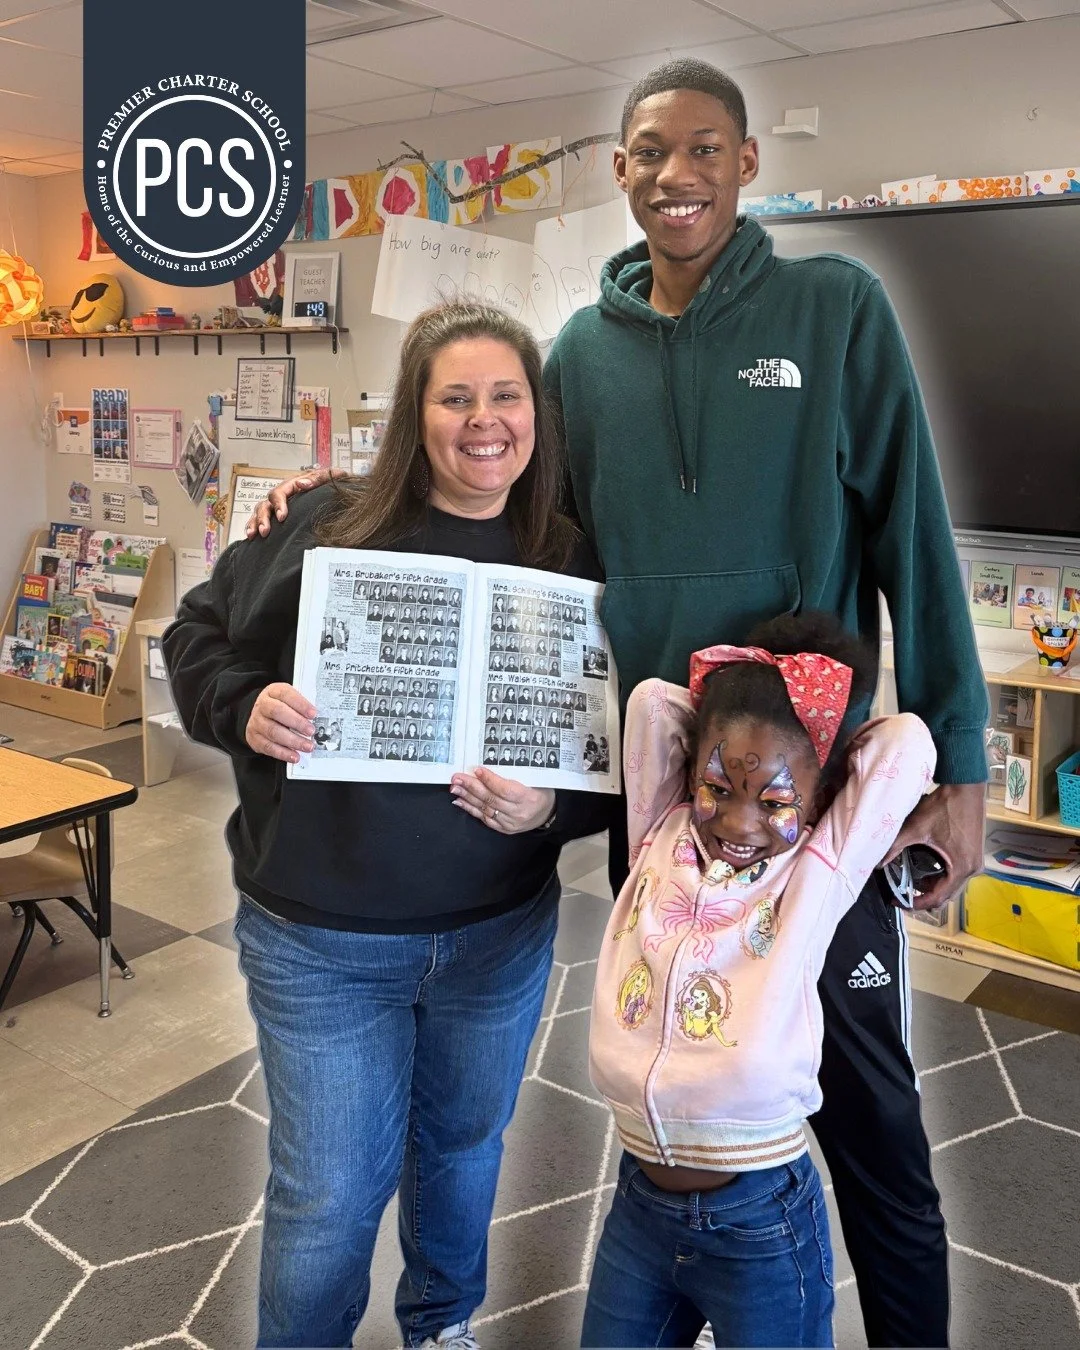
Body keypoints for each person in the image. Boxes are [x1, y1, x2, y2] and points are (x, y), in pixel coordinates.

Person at [246, 60, 987, 1349]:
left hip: (808, 792)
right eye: (650, 152)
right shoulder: (580, 353)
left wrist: (960, 760)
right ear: (621, 171)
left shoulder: (835, 311)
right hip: (655, 795)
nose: (676, 175)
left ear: (748, 164)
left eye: (705, 148)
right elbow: (514, 510)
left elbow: (912, 534)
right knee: (681, 1083)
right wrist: (312, 503)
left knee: (871, 1117)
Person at [166, 301, 612, 1350]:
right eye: (454, 396)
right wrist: (244, 706)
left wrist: (554, 806)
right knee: (329, 1194)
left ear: (536, 416)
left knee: (463, 1152)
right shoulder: (324, 525)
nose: (483, 420)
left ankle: (442, 1327)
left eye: (506, 396)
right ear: (416, 413)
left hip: (498, 935)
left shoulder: (568, 556)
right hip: (325, 943)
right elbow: (196, 636)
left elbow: (603, 750)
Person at [584, 612, 935, 1349]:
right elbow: (652, 702)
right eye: (720, 786)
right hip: (640, 1203)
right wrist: (736, 694)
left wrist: (827, 742)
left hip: (760, 1220)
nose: (739, 821)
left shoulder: (818, 870)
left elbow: (906, 746)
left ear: (817, 795)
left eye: (774, 800)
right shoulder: (662, 829)